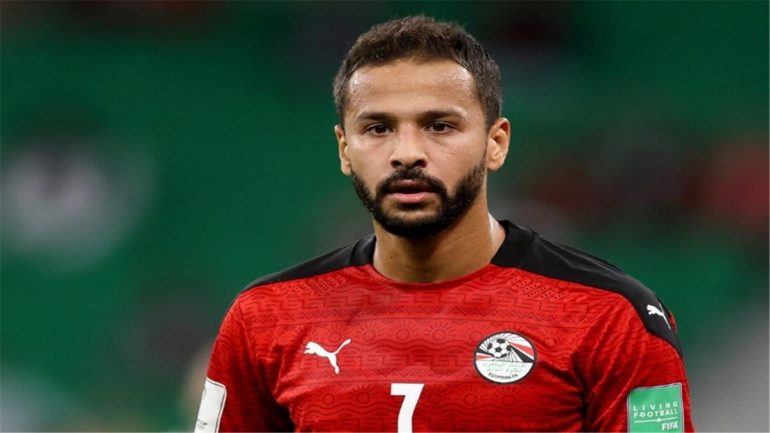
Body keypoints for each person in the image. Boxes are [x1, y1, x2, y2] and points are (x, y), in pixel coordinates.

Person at [195, 16, 694, 432]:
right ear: (345, 149)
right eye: (378, 128)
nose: (407, 153)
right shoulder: (265, 319)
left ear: (496, 143)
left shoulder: (612, 317)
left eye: (440, 126)